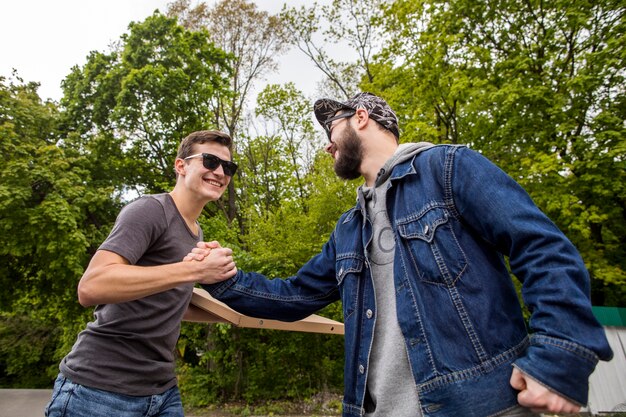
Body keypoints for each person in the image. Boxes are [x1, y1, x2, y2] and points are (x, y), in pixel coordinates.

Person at [192, 92, 613, 417]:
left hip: (479, 404)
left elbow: (543, 248)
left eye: (330, 130)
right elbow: (294, 296)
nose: (327, 147)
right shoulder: (349, 228)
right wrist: (223, 279)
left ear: (361, 117)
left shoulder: (448, 168)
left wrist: (557, 358)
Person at [45, 130, 239, 417]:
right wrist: (195, 269)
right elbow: (91, 287)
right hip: (99, 390)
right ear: (181, 165)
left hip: (161, 390)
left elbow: (163, 300)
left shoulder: (197, 234)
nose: (220, 172)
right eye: (210, 161)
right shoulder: (150, 210)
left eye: (229, 167)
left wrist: (242, 301)